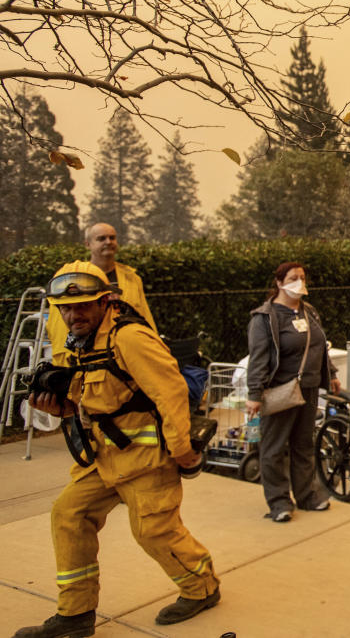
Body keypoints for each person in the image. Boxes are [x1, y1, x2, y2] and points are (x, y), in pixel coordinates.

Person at [15, 262, 219, 638]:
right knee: (69, 514)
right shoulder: (82, 342)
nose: (74, 314)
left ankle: (202, 587)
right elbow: (96, 397)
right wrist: (61, 407)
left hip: (147, 459)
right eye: (66, 308)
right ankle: (75, 615)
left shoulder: (130, 338)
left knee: (153, 531)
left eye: (83, 306)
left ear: (105, 302)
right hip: (104, 458)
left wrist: (182, 452)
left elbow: (171, 391)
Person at [244, 262, 340, 522]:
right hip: (280, 390)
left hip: (307, 389)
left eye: (302, 277)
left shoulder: (309, 312)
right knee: (274, 448)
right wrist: (255, 394)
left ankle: (307, 496)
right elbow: (258, 358)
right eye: (293, 277)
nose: (299, 282)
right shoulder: (265, 318)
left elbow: (320, 345)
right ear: (278, 282)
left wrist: (330, 374)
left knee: (303, 445)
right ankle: (279, 502)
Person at [45, 222, 158, 366]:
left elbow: (145, 316)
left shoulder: (132, 278)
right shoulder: (71, 279)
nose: (108, 242)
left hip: (128, 356)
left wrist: (154, 346)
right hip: (86, 360)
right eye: (101, 238)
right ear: (87, 244)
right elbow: (59, 326)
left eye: (112, 238)